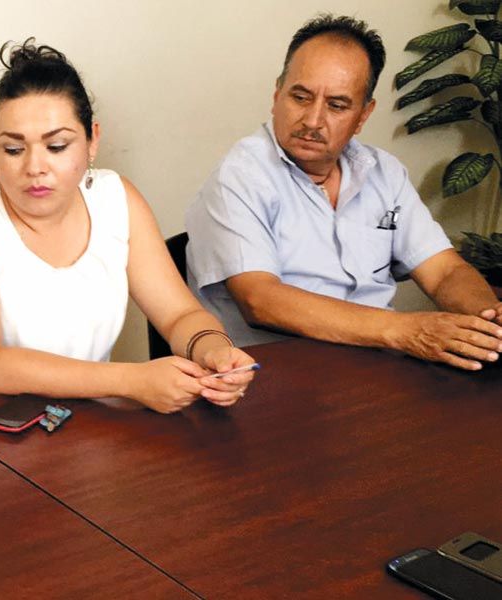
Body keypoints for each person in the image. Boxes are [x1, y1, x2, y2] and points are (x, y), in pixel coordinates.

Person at [0, 40, 256, 414]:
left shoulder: (116, 198)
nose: (35, 167)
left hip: (81, 415)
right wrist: (132, 381)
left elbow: (180, 316)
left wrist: (214, 350)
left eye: (57, 146)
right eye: (13, 149)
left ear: (92, 141)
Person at [185, 15, 502, 371]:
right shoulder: (240, 175)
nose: (312, 120)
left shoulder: (384, 173)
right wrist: (405, 330)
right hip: (270, 376)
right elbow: (260, 300)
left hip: (376, 369)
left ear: (363, 115)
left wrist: (489, 320)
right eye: (300, 97)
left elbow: (444, 271)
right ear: (277, 95)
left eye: (336, 105)